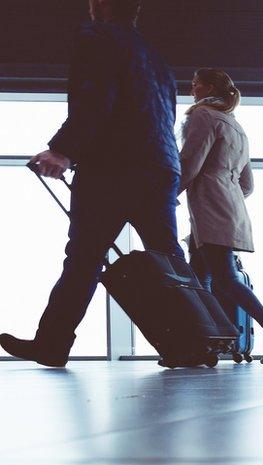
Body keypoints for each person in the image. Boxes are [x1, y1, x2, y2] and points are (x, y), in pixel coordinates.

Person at [1, 0, 185, 367]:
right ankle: (192, 342)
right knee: (170, 263)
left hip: (113, 168)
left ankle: (52, 344)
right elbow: (165, 115)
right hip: (160, 167)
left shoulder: (97, 36)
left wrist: (63, 151)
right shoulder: (157, 59)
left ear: (98, 5)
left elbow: (95, 97)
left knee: (84, 258)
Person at [180, 68, 263, 364]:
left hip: (210, 209)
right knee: (201, 280)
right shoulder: (236, 127)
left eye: (196, 84)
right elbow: (247, 185)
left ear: (208, 88)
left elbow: (190, 163)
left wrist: (167, 196)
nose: (191, 89)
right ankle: (207, 344)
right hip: (228, 209)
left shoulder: (202, 116)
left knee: (224, 278)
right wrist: (225, 192)